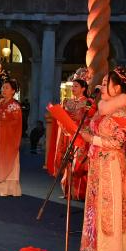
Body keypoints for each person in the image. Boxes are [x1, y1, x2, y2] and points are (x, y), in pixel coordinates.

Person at [79, 68, 126, 251]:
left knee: (110, 210)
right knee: (94, 208)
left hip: (112, 165)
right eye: (103, 82)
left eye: (106, 83)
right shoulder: (102, 109)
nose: (102, 86)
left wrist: (93, 139)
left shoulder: (123, 112)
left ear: (117, 88)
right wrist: (84, 131)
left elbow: (118, 141)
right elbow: (92, 129)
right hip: (98, 163)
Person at [49, 73, 92, 201]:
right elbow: (60, 117)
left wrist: (78, 122)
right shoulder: (66, 101)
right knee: (68, 161)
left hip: (81, 137)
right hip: (68, 135)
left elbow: (91, 120)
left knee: (78, 164)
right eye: (72, 86)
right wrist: (64, 121)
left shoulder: (89, 103)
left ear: (83, 88)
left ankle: (80, 192)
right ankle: (68, 190)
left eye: (76, 86)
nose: (73, 88)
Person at [0, 78, 23, 197]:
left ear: (13, 91)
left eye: (7, 88)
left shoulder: (14, 105)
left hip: (9, 138)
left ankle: (7, 188)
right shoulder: (0, 103)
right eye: (3, 87)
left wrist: (3, 124)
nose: (4, 90)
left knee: (6, 158)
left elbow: (16, 123)